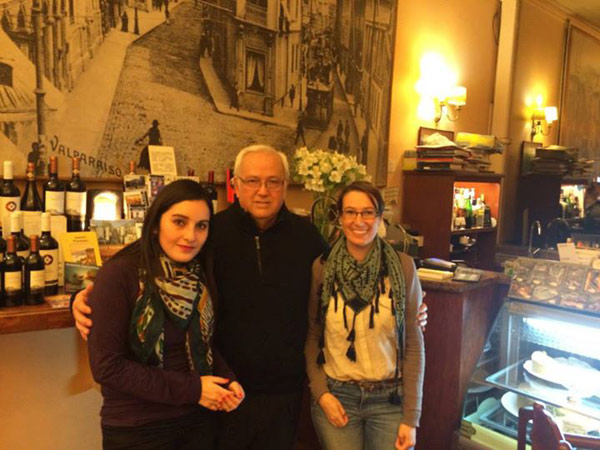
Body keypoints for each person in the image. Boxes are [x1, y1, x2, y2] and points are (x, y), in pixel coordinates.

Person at [72, 146, 429, 450]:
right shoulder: (210, 233)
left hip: (284, 392)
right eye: (253, 181)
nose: (263, 190)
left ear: (285, 186)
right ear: (235, 185)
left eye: (273, 181)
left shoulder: (308, 239)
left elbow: (345, 288)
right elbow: (146, 267)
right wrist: (84, 295)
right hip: (221, 393)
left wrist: (411, 307)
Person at [86, 179, 244, 449]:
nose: (190, 236)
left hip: (198, 420)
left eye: (201, 226)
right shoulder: (120, 274)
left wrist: (226, 378)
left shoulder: (199, 272)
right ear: (156, 222)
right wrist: (195, 390)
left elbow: (202, 344)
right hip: (139, 427)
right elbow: (108, 368)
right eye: (179, 222)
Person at [305, 181, 425, 450]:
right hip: (338, 396)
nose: (359, 221)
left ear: (380, 217)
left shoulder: (403, 268)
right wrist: (321, 393)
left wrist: (411, 417)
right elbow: (313, 336)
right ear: (340, 217)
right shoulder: (322, 268)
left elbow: (414, 345)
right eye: (350, 212)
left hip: (390, 400)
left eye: (368, 212)